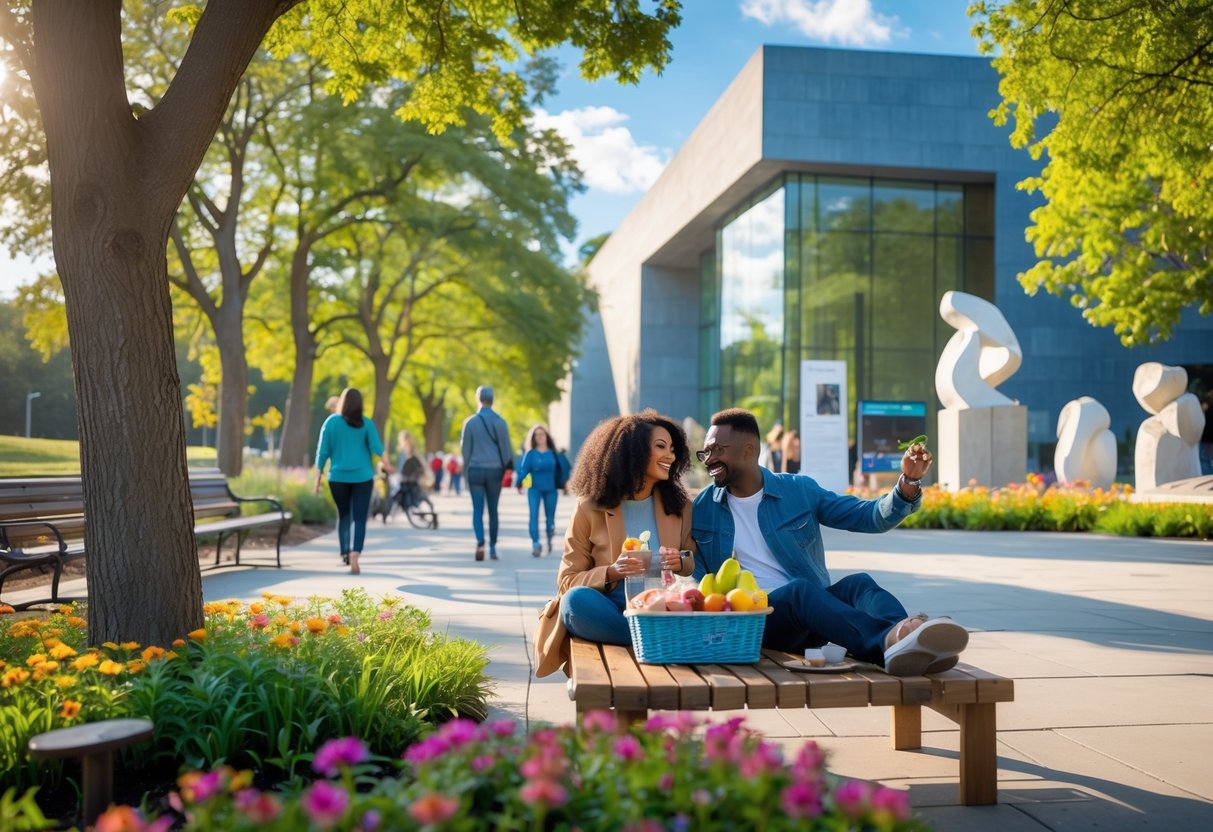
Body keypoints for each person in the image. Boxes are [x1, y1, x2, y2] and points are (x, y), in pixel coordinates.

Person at [691, 408, 968, 676]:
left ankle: (908, 639)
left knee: (859, 584)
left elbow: (867, 517)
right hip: (756, 621)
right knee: (800, 591)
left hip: (813, 613)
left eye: (718, 450)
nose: (708, 459)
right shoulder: (702, 508)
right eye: (706, 451)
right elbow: (694, 573)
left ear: (748, 451)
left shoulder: (799, 491)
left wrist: (907, 484)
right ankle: (888, 642)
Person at [533, 410, 697, 678]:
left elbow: (694, 560)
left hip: (663, 605)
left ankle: (652, 638)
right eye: (660, 447)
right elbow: (567, 581)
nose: (671, 455)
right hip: (611, 607)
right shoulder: (589, 508)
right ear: (633, 452)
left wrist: (682, 560)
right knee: (575, 602)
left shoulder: (681, 507)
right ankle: (651, 641)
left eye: (672, 449)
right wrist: (612, 572)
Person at [314, 387, 384, 575]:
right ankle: (355, 552)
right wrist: (388, 464)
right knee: (360, 518)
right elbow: (377, 448)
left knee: (344, 514)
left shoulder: (331, 422)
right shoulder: (366, 424)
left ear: (342, 402)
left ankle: (344, 551)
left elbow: (323, 452)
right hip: (363, 477)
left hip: (338, 478)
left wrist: (317, 477)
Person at [459, 385, 513, 561]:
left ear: (478, 399)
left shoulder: (470, 422)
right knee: (493, 510)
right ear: (493, 399)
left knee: (477, 509)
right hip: (494, 471)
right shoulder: (500, 422)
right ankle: (493, 547)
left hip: (475, 470)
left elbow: (465, 451)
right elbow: (506, 451)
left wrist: (465, 472)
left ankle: (480, 542)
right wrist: (508, 469)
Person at [515, 424, 566, 557]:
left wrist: (566, 483)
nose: (540, 437)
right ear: (533, 437)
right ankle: (535, 543)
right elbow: (524, 470)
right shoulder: (530, 454)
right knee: (533, 516)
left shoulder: (553, 453)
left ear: (546, 436)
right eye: (537, 435)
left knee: (550, 519)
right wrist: (518, 483)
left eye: (542, 434)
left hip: (551, 490)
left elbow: (563, 470)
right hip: (534, 489)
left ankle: (549, 538)